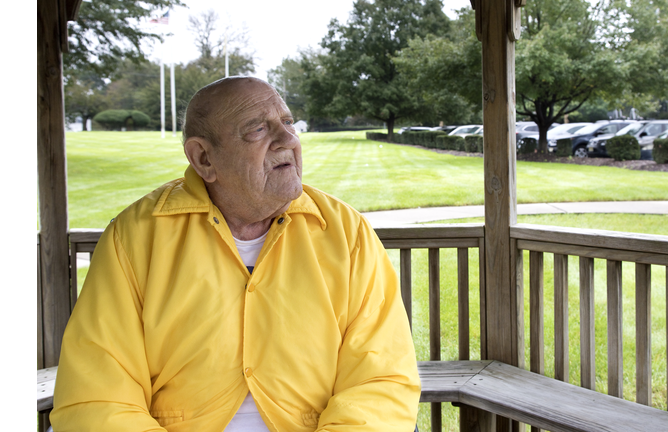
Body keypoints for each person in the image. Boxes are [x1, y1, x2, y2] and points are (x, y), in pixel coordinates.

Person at [50, 77, 421, 431]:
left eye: (288, 122)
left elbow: (381, 379)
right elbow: (97, 396)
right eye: (258, 128)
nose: (288, 139)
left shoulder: (345, 232)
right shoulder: (136, 237)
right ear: (204, 159)